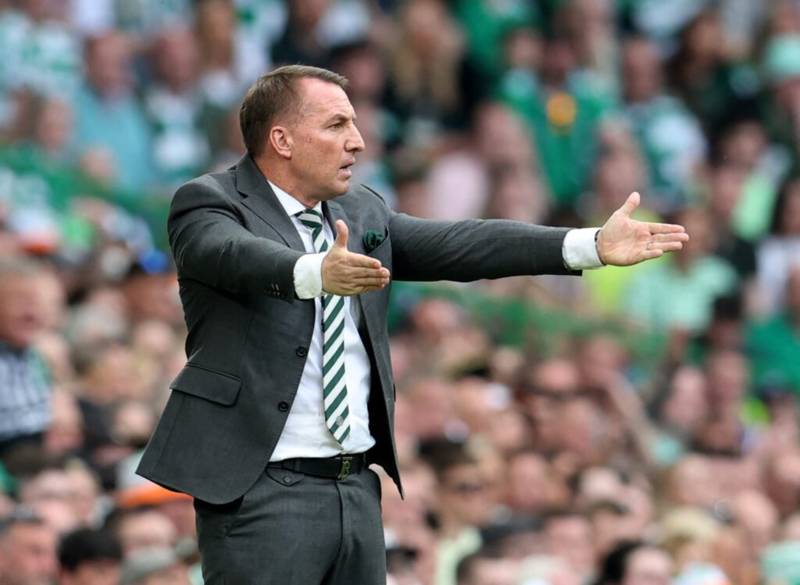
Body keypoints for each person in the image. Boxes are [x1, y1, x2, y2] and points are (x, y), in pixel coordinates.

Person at [136, 64, 688, 584]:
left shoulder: (362, 211)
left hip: (356, 488)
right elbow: (231, 255)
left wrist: (589, 244)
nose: (357, 141)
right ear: (282, 139)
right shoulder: (208, 202)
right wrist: (315, 271)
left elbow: (460, 244)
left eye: (354, 124)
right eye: (336, 125)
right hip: (261, 493)